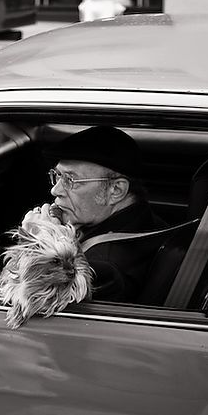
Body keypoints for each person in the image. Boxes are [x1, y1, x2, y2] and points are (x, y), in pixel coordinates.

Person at [21, 126, 164, 302]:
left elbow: (30, 301)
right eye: (57, 175)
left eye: (70, 179)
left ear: (116, 190)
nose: (55, 190)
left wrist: (38, 243)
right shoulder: (144, 220)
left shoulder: (102, 268)